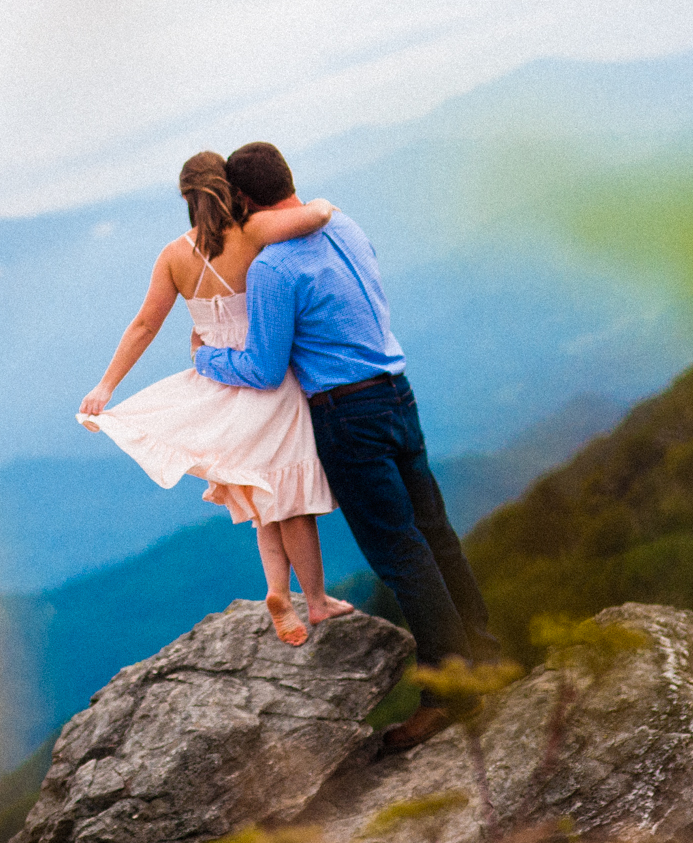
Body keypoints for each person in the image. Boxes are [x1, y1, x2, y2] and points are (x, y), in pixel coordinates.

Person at [193, 141, 499, 752]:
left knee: (401, 554)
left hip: (346, 413)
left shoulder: (274, 269)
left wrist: (206, 355)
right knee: (435, 531)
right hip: (397, 393)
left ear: (245, 201)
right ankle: (486, 660)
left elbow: (261, 367)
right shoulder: (346, 225)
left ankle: (452, 694)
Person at [78, 151, 359, 648]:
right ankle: (315, 600)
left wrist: (106, 387)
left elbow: (144, 325)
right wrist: (322, 201)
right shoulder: (251, 233)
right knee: (290, 495)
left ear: (186, 197)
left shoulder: (173, 255)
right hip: (266, 377)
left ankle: (277, 589)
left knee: (258, 493)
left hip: (215, 384)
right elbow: (316, 216)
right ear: (228, 188)